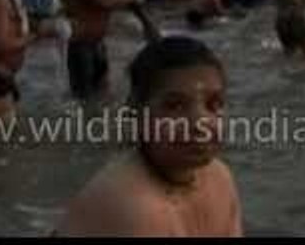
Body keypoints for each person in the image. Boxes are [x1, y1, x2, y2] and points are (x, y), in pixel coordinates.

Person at [55, 36, 242, 237]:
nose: (201, 123)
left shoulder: (220, 177)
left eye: (213, 104)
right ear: (137, 114)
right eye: (175, 106)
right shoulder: (136, 205)